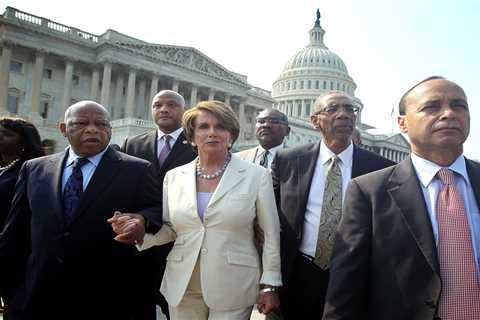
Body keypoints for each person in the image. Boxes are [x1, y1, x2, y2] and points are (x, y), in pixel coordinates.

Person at [322, 77, 480, 320]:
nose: (448, 113)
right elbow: (346, 287)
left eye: (459, 106)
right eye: (432, 106)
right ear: (402, 123)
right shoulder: (368, 192)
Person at [111, 100, 282, 320]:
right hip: (183, 282)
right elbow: (171, 229)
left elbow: (270, 235)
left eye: (220, 127)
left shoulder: (256, 176)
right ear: (191, 137)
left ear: (231, 136)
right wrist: (139, 234)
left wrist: (270, 284)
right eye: (203, 127)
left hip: (234, 284)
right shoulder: (174, 177)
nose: (212, 133)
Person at [0, 101, 162, 319]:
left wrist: (142, 220)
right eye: (82, 123)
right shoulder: (35, 168)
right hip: (39, 294)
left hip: (106, 297)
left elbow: (156, 209)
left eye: (102, 124)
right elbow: (15, 232)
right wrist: (9, 291)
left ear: (110, 130)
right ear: (64, 129)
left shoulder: (138, 169)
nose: (93, 129)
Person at [271, 91, 395, 319]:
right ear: (315, 121)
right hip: (298, 273)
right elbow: (271, 221)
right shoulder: (288, 161)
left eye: (350, 109)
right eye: (333, 109)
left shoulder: (382, 168)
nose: (344, 115)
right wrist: (268, 283)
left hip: (355, 275)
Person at [121, 90, 197, 319]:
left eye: (172, 105)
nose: (164, 109)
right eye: (158, 105)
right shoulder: (133, 143)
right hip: (142, 240)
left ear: (183, 111)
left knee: (175, 307)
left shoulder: (196, 144)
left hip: (180, 240)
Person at [0, 117, 44, 315]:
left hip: (16, 253)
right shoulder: (4, 168)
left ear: (24, 143)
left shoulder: (31, 170)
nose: (0, 137)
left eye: (7, 134)